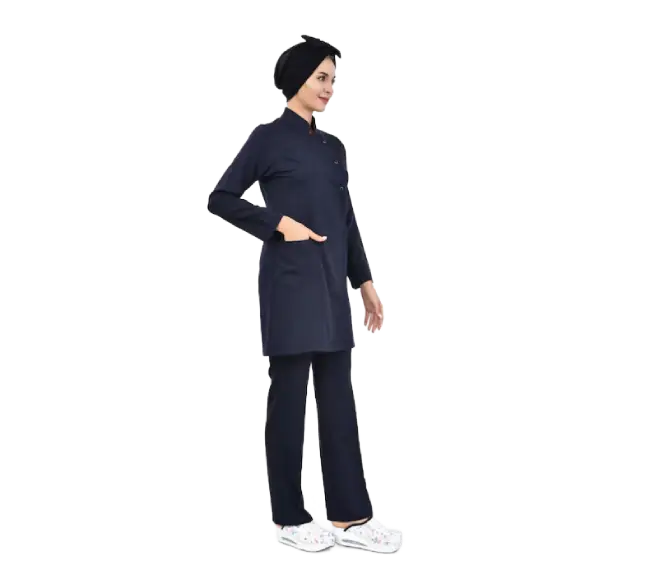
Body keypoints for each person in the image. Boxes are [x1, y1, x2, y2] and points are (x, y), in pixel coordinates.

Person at [206, 34, 403, 554]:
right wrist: (277, 224)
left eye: (333, 79)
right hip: (290, 285)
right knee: (290, 401)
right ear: (295, 78)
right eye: (321, 77)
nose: (329, 87)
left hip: (332, 288)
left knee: (339, 402)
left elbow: (345, 221)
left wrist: (366, 284)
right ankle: (290, 518)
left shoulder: (333, 148)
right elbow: (221, 198)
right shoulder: (267, 138)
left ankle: (351, 518)